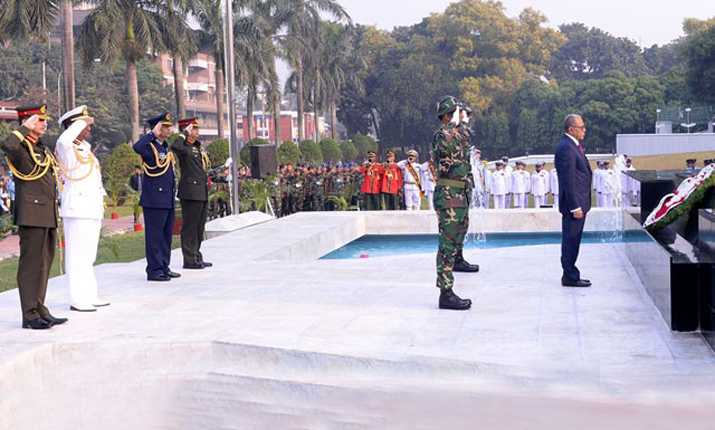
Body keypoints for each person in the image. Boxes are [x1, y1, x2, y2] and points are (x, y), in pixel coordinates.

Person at [1, 105, 68, 329]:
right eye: (38, 120)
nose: (44, 123)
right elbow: (6, 145)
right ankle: (29, 315)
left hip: (46, 212)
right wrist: (22, 129)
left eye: (44, 120)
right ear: (27, 122)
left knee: (43, 263)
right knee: (31, 265)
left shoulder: (41, 148)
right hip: (32, 213)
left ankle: (39, 308)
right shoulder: (20, 147)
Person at [55, 105, 109, 312]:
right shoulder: (66, 147)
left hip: (91, 206)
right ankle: (77, 298)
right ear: (74, 126)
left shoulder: (84, 148)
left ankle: (89, 295)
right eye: (84, 125)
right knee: (77, 255)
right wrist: (79, 123)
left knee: (88, 254)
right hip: (77, 207)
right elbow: (62, 139)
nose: (88, 129)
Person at [431, 96, 473, 311]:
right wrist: (462, 121)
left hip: (458, 193)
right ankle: (445, 293)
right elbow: (464, 133)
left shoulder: (455, 133)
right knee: (447, 243)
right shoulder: (444, 133)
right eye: (457, 112)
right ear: (449, 115)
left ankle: (457, 262)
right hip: (449, 194)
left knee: (458, 234)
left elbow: (466, 139)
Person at [133, 111, 180, 282]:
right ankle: (153, 269)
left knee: (166, 235)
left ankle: (164, 266)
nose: (169, 130)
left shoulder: (164, 147)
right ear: (157, 128)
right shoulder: (149, 146)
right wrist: (151, 133)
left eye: (168, 126)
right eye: (165, 127)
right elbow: (136, 147)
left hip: (167, 197)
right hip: (154, 198)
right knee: (154, 236)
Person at [554, 114, 592, 288]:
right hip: (574, 205)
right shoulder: (566, 148)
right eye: (581, 127)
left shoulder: (572, 145)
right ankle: (569, 276)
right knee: (571, 240)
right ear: (571, 129)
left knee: (574, 239)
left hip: (579, 202)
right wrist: (575, 206)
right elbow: (568, 180)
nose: (584, 130)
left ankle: (571, 274)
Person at [172, 118, 212, 270]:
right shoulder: (183, 146)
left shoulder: (197, 147)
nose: (197, 131)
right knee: (190, 226)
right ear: (187, 130)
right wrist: (184, 134)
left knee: (199, 226)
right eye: (193, 128)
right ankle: (189, 259)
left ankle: (196, 255)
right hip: (190, 191)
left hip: (201, 190)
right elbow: (175, 146)